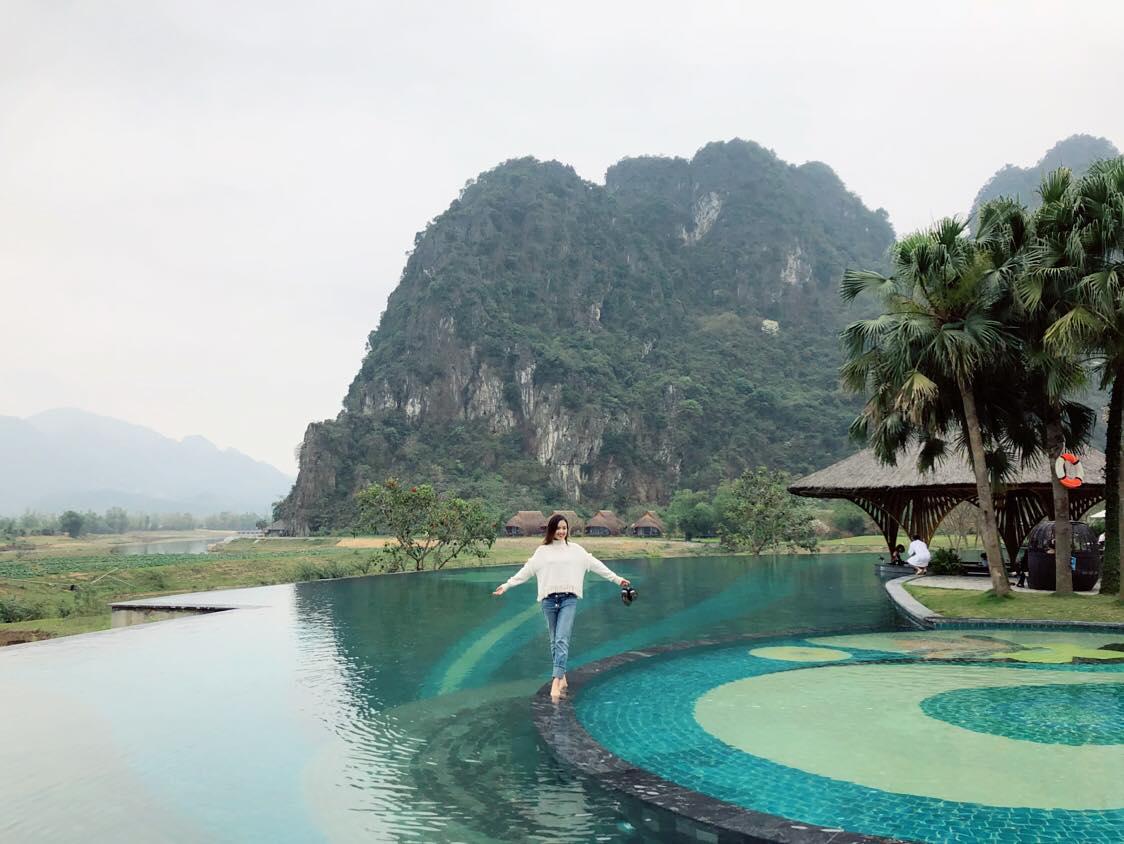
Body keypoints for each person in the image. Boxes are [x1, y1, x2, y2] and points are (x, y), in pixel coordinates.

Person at [492, 514, 630, 701]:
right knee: (554, 641)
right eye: (558, 528)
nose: (561, 531)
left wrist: (617, 579)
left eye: (564, 528)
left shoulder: (576, 550)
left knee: (561, 639)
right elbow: (527, 571)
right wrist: (507, 585)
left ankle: (555, 682)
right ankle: (562, 676)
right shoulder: (542, 551)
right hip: (548, 601)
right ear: (551, 530)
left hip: (568, 599)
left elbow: (596, 565)